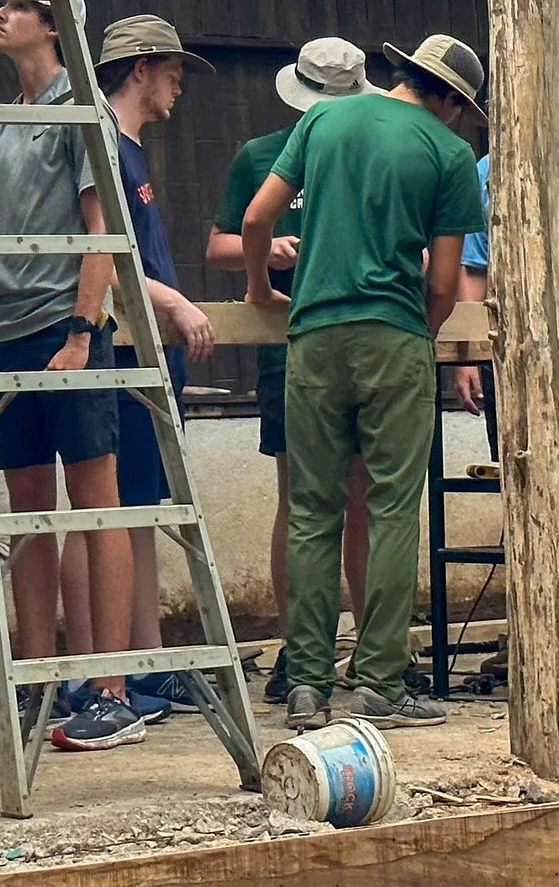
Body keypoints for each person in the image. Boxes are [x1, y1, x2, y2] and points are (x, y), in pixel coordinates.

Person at [243, 34, 488, 733]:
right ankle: (381, 681)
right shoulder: (448, 155)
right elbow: (443, 283)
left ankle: (307, 686)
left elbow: (258, 217)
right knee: (388, 510)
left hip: (313, 338)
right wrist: (419, 329)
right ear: (448, 98)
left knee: (312, 511)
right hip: (395, 337)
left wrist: (263, 289)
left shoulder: (325, 117)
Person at [0, 0, 145, 752]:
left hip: (64, 324)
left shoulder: (80, 111)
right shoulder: (0, 117)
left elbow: (102, 225)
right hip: (6, 331)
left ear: (51, 24)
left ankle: (111, 689)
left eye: (15, 4)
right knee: (27, 511)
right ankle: (38, 681)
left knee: (95, 501)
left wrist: (82, 332)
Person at [204, 37, 376, 704]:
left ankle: (368, 644)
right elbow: (220, 241)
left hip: (348, 336)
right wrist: (265, 251)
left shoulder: (368, 153)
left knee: (361, 499)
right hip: (287, 342)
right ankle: (295, 645)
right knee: (301, 499)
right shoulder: (259, 154)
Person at [91, 16, 217, 716]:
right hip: (126, 352)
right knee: (122, 506)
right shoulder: (107, 143)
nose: (178, 84)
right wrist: (173, 300)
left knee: (140, 506)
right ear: (139, 67)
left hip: (150, 352)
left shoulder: (131, 148)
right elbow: (105, 258)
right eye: (173, 70)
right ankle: (131, 665)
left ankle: (147, 660)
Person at [454, 120, 559, 428]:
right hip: (510, 340)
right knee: (509, 452)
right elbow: (474, 267)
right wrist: (467, 358)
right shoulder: (486, 169)